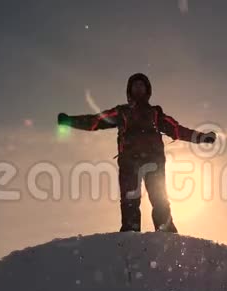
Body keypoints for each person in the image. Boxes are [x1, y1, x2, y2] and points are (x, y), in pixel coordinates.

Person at [58, 73, 216, 233]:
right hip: (129, 162)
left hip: (154, 161)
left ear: (147, 90)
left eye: (142, 85)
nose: (138, 88)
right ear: (130, 90)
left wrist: (202, 137)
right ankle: (130, 233)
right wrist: (70, 121)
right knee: (129, 200)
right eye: (135, 85)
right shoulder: (122, 112)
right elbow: (96, 121)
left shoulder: (155, 113)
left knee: (159, 198)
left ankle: (166, 231)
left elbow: (177, 130)